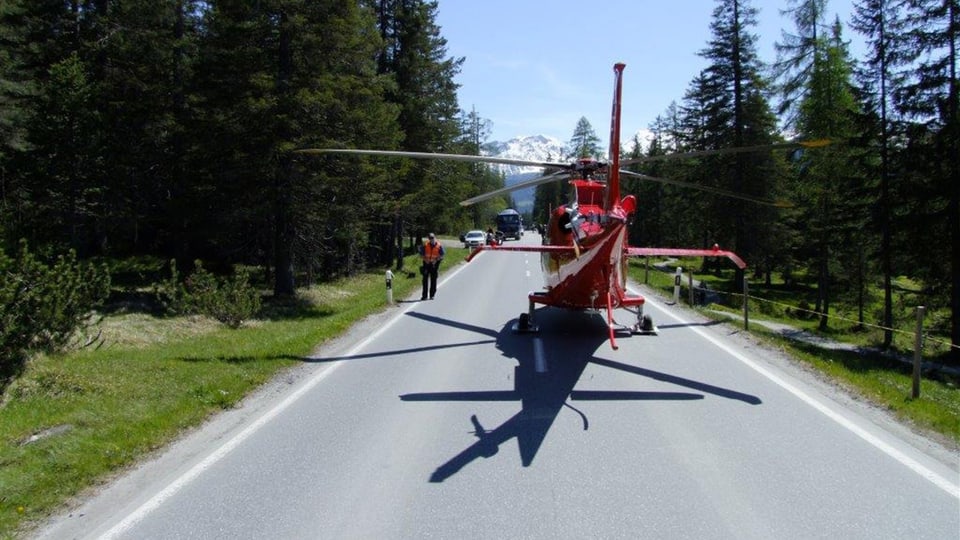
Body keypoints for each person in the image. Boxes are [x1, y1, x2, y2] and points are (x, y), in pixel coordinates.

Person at [418, 232, 444, 300]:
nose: (431, 239)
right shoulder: (425, 245)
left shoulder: (439, 245)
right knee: (425, 280)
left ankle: (432, 295)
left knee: (433, 280)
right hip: (426, 264)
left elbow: (442, 255)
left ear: (435, 237)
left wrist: (436, 260)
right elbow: (421, 254)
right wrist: (425, 259)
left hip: (434, 265)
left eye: (432, 238)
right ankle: (424, 296)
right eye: (430, 238)